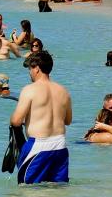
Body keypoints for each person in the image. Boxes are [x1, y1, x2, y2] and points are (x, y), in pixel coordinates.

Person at [10, 50, 72, 184]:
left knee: (28, 190)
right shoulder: (63, 90)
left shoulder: (29, 89)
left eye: (30, 69)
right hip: (60, 146)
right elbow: (68, 121)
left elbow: (16, 121)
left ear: (37, 68)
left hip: (38, 147)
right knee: (57, 191)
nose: (29, 73)